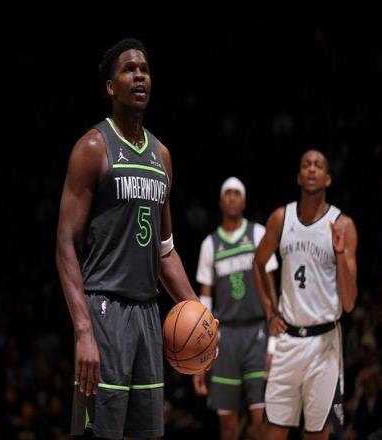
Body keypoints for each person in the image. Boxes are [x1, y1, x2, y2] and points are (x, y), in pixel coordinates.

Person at [56, 38, 214, 439]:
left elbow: (165, 251)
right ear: (111, 87)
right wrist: (83, 330)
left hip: (147, 314)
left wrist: (199, 312)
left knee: (147, 434)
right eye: (129, 69)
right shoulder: (93, 148)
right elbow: (66, 245)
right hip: (104, 310)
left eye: (144, 69)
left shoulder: (162, 156)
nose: (139, 75)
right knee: (100, 432)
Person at [253, 149, 358, 439]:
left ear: (328, 178)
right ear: (299, 177)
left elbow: (349, 302)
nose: (312, 169)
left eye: (318, 165)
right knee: (271, 432)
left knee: (317, 434)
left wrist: (339, 253)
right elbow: (258, 264)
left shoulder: (343, 225)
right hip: (287, 341)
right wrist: (269, 310)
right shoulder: (280, 218)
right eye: (306, 165)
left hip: (324, 344)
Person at [192, 176, 278, 440]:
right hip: (225, 336)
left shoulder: (258, 234)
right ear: (220, 202)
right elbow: (205, 300)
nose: (231, 197)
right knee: (228, 428)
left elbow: (272, 291)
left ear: (244, 202)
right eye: (227, 193)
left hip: (257, 333)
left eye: (236, 193)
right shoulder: (210, 244)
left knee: (261, 423)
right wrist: (202, 349)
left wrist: (274, 343)